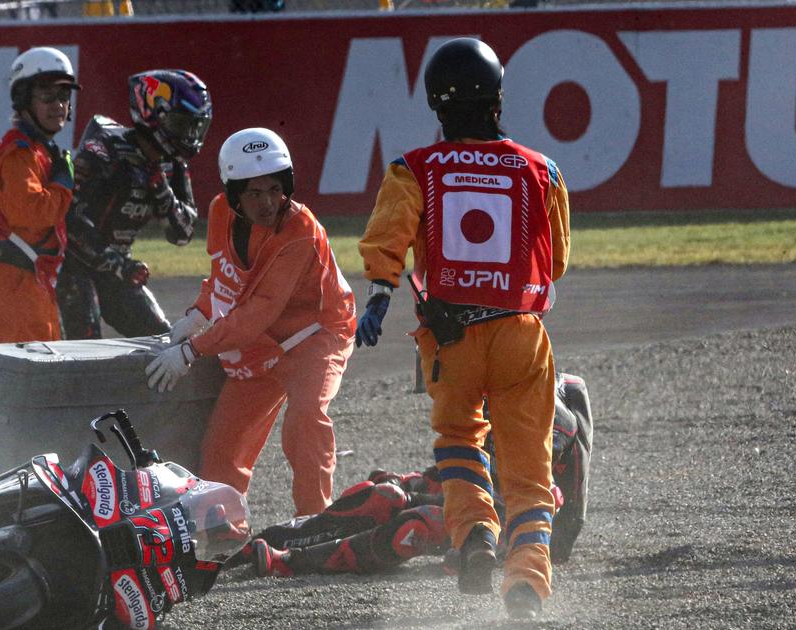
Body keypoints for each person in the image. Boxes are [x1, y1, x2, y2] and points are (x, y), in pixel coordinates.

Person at [354, 37, 571, 619]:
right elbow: (557, 262)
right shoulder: (542, 170)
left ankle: (474, 530)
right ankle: (526, 580)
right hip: (521, 335)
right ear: (498, 98)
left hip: (449, 336)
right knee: (530, 471)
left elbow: (388, 238)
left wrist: (379, 295)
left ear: (435, 105)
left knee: (458, 442)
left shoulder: (414, 168)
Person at [144, 128, 356, 517]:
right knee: (223, 449)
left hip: (317, 335)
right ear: (234, 192)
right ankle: (224, 535)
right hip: (262, 340)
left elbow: (259, 311)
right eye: (254, 192)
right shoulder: (221, 212)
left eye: (275, 189)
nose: (267, 202)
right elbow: (223, 277)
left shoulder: (300, 232)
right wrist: (198, 313)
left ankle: (313, 523)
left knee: (305, 421)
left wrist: (192, 349)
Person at [244, 371, 593, 579]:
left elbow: (558, 537)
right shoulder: (483, 391)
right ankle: (263, 542)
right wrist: (409, 488)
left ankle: (292, 562)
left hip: (513, 524)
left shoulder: (559, 428)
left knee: (417, 524)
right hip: (475, 491)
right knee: (384, 496)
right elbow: (457, 469)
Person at [56, 69, 210, 340]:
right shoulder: (106, 147)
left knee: (161, 340)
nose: (189, 135)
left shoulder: (172, 165)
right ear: (153, 115)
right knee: (84, 346)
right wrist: (118, 264)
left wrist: (161, 189)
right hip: (72, 266)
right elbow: (69, 220)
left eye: (194, 126)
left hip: (117, 269)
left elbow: (183, 233)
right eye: (181, 124)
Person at [0, 46, 78, 343]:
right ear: (22, 100)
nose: (58, 105)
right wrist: (63, 183)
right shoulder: (19, 154)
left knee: (43, 367)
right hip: (15, 278)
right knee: (35, 372)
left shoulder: (38, 151)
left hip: (28, 276)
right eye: (47, 95)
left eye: (64, 95)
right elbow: (32, 215)